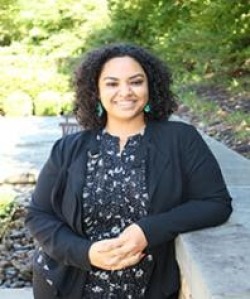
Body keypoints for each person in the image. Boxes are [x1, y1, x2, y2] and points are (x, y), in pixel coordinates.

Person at [25, 43, 232, 299]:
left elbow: (215, 203)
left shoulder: (181, 139)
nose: (125, 92)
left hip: (148, 288)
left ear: (150, 87)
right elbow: (38, 215)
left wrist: (148, 230)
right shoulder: (67, 149)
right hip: (69, 287)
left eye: (136, 82)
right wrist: (85, 252)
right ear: (95, 91)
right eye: (112, 84)